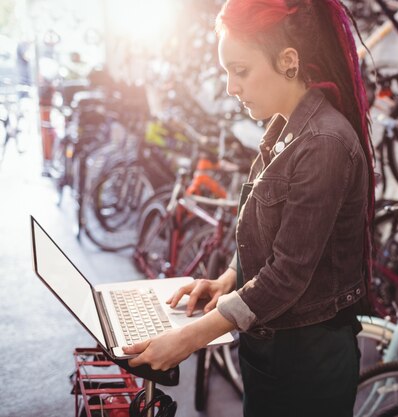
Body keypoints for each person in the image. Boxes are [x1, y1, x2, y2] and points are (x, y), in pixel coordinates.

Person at [123, 1, 375, 415]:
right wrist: (226, 281)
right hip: (275, 349)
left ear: (288, 61)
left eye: (239, 71)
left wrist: (189, 338)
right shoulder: (285, 130)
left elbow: (288, 274)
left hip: (306, 363)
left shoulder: (323, 143)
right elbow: (272, 237)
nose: (230, 88)